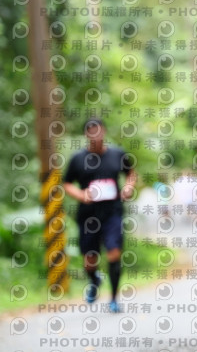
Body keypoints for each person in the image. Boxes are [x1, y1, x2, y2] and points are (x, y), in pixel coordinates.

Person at [63, 118, 136, 312]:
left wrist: (128, 188)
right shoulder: (78, 159)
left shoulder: (117, 154)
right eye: (91, 132)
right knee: (89, 260)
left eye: (98, 131)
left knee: (114, 252)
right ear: (86, 135)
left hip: (112, 212)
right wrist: (81, 194)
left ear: (104, 132)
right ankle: (94, 279)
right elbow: (67, 183)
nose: (95, 136)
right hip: (88, 215)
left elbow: (131, 173)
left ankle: (114, 299)